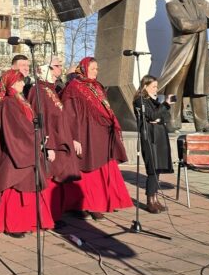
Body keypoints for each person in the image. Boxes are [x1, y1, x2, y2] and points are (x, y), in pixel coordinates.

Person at [61, 57, 131, 220]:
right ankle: (88, 204)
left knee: (104, 168)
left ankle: (106, 201)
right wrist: (74, 137)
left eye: (97, 69)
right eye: (93, 69)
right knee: (89, 170)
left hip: (102, 134)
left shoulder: (97, 86)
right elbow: (70, 114)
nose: (96, 72)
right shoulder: (74, 87)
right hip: (86, 134)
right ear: (84, 69)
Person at [0, 69, 54, 237]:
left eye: (22, 80)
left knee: (30, 188)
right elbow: (15, 130)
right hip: (17, 152)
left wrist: (40, 136)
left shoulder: (21, 101)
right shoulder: (8, 103)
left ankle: (30, 221)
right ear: (10, 84)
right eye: (18, 81)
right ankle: (14, 224)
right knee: (17, 189)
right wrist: (35, 139)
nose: (22, 83)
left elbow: (30, 124)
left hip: (30, 148)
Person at [156, 0, 209, 132]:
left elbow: (199, 22)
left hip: (198, 50)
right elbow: (183, 25)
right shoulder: (172, 5)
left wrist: (198, 23)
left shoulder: (197, 5)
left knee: (199, 88)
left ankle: (203, 124)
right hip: (182, 50)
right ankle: (172, 122)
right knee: (175, 87)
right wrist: (201, 23)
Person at [28, 58, 80, 215]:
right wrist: (46, 145)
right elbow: (39, 118)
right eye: (57, 66)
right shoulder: (38, 90)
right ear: (46, 69)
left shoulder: (51, 89)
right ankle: (49, 215)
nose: (60, 69)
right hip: (51, 142)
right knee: (50, 178)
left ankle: (58, 213)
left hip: (61, 139)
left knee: (61, 178)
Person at [133, 75, 174, 214]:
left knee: (158, 169)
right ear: (145, 86)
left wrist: (159, 115)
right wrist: (165, 105)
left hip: (159, 136)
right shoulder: (140, 100)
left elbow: (165, 117)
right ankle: (150, 201)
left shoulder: (154, 101)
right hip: (149, 138)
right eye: (154, 86)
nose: (156, 89)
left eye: (157, 86)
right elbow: (151, 115)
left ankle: (155, 199)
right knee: (152, 169)